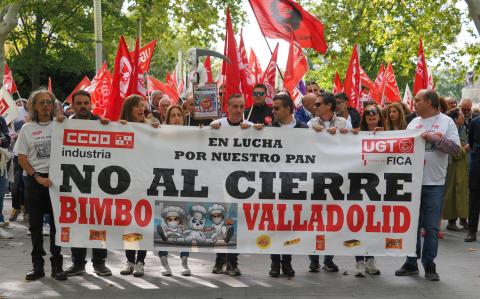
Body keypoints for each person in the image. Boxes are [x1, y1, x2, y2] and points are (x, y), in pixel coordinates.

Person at [395, 89, 461, 281]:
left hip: (434, 183)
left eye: (418, 100)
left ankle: (429, 265)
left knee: (431, 227)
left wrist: (437, 140)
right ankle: (410, 263)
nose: (414, 103)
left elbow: (456, 149)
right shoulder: (414, 122)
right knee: (412, 226)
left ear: (430, 103)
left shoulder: (446, 122)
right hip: (412, 183)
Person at [55, 90, 112, 277]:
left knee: (98, 223)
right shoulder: (64, 124)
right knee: (77, 224)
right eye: (78, 103)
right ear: (72, 106)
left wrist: (112, 126)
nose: (83, 106)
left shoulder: (101, 123)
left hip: (98, 184)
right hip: (75, 184)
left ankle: (99, 263)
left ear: (91, 104)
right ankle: (78, 263)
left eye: (86, 103)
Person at [16, 89, 67, 281]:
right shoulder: (27, 129)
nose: (46, 105)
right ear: (34, 107)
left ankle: (57, 266)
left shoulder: (61, 125)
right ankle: (37, 266)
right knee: (36, 226)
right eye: (42, 102)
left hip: (57, 181)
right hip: (35, 181)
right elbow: (22, 158)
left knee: (57, 226)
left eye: (49, 102)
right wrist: (37, 177)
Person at [210, 94, 262, 276]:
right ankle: (219, 259)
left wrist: (258, 131)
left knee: (233, 223)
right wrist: (211, 131)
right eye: (235, 107)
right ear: (228, 107)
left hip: (239, 185)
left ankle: (232, 262)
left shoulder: (249, 126)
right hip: (218, 183)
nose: (239, 110)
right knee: (219, 221)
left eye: (242, 107)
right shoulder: (217, 125)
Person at [266, 93, 308, 277]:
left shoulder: (303, 128)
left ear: (288, 109)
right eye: (272, 108)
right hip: (273, 183)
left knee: (289, 224)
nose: (273, 111)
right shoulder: (268, 128)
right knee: (275, 225)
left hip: (295, 184)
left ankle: (287, 261)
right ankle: (275, 263)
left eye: (276, 108)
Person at [117, 94, 159, 277]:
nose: (141, 109)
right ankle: (129, 260)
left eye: (143, 105)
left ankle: (141, 261)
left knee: (144, 222)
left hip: (148, 181)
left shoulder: (152, 127)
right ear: (129, 109)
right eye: (137, 106)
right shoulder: (119, 126)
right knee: (130, 223)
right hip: (127, 183)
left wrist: (156, 129)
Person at [158, 105, 192, 276]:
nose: (177, 118)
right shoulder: (158, 136)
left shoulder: (193, 137)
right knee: (164, 223)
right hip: (165, 185)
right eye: (173, 115)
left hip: (185, 185)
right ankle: (164, 262)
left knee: (184, 224)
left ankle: (184, 261)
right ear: (168, 119)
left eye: (180, 115)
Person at [353, 103, 384, 277]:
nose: (371, 115)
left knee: (373, 224)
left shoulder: (388, 135)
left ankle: (371, 259)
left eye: (375, 112)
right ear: (364, 117)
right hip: (358, 185)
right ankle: (359, 261)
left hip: (378, 187)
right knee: (357, 223)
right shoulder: (357, 134)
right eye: (368, 113)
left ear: (380, 116)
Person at [442, 108, 469, 231]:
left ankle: (462, 219)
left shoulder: (462, 129)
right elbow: (455, 152)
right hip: (453, 166)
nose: (463, 117)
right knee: (452, 194)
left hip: (462, 166)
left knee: (461, 194)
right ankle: (451, 221)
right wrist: (466, 148)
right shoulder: (452, 132)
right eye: (461, 116)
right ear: (456, 119)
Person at [465, 110, 480, 242]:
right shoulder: (475, 122)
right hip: (477, 166)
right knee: (474, 200)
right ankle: (471, 231)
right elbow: (470, 141)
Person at [0, 115, 12, 239]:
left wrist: (1, 140)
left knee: (0, 194)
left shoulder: (1, 119)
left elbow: (7, 140)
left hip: (0, 163)